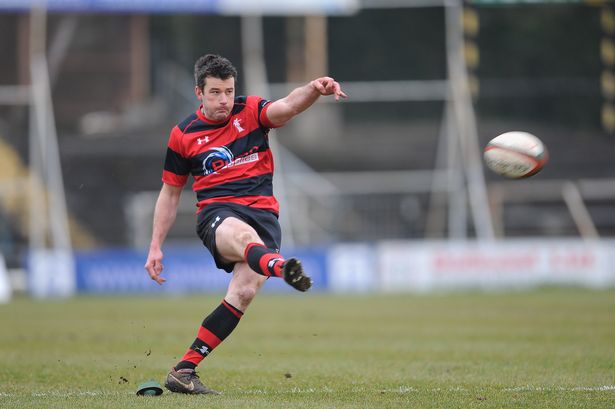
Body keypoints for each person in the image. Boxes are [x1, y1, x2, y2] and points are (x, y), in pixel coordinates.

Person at [144, 54, 347, 395]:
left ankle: (184, 370)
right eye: (215, 92)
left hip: (264, 216)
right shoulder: (183, 135)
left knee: (244, 292)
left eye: (228, 91)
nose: (224, 99)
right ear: (199, 93)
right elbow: (170, 194)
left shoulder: (250, 111)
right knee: (243, 236)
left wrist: (314, 89)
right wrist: (155, 245)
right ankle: (280, 268)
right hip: (218, 214)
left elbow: (287, 106)